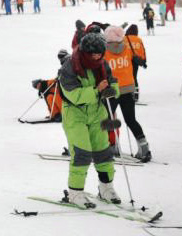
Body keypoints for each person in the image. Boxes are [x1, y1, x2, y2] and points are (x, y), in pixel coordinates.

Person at [56, 33, 121, 207]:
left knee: (103, 152)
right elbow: (74, 95)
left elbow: (112, 81)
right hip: (75, 114)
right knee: (82, 153)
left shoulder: (102, 64)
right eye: (93, 54)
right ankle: (75, 192)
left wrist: (111, 90)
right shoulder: (69, 67)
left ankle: (106, 188)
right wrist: (97, 91)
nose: (97, 57)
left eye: (100, 53)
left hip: (97, 113)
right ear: (85, 52)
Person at [102, 26, 151, 161]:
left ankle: (111, 147)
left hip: (112, 89)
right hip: (128, 88)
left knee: (108, 119)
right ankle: (144, 148)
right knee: (131, 119)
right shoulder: (127, 48)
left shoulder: (104, 51)